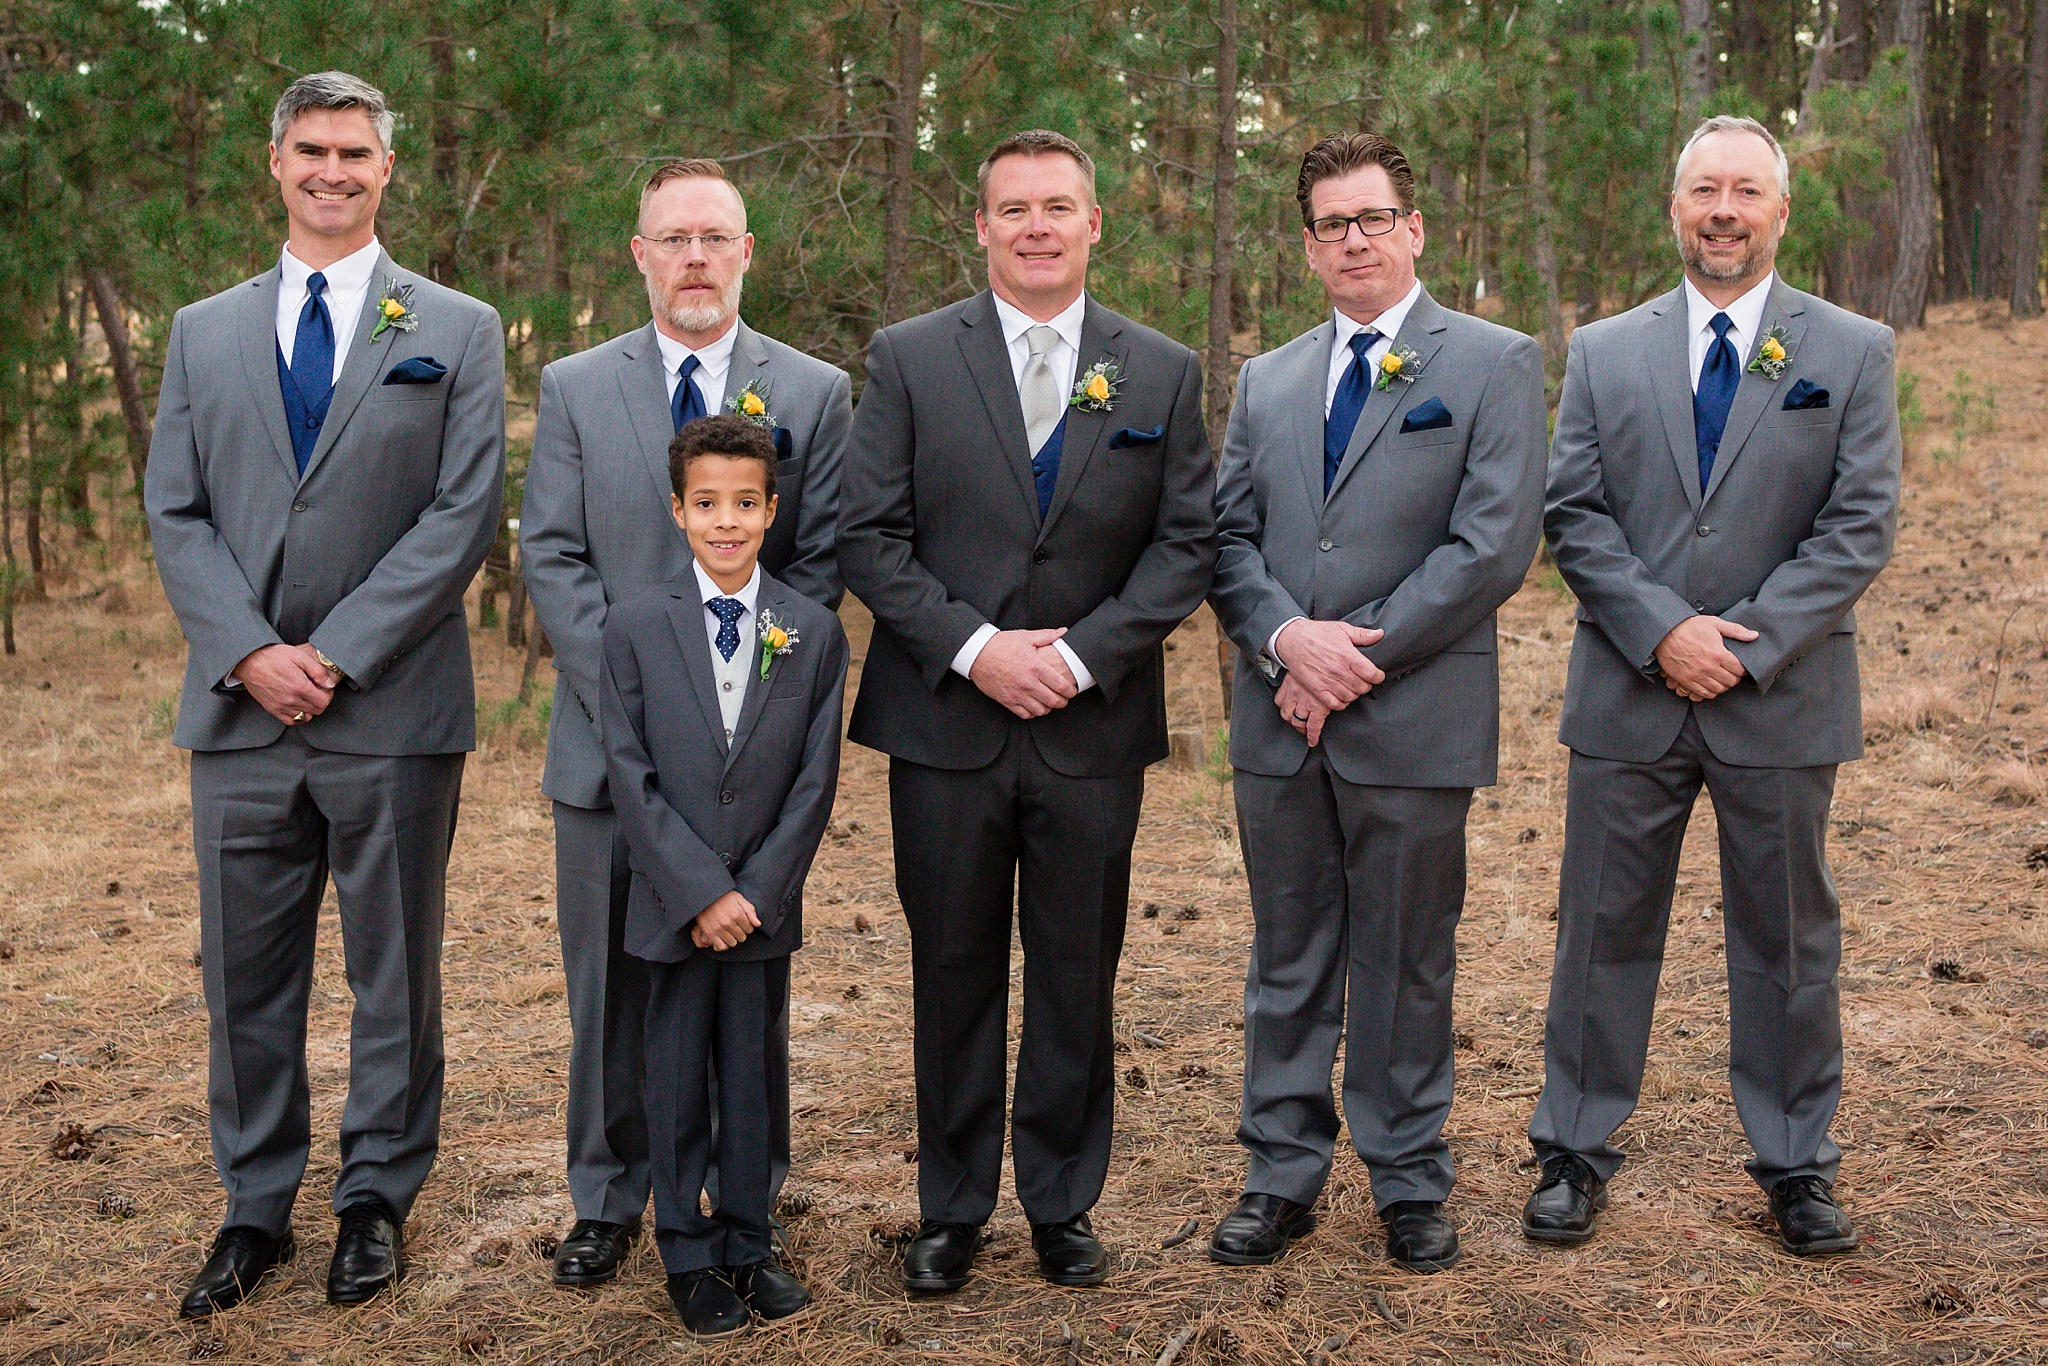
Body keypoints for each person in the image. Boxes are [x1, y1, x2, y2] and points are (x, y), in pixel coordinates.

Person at [145, 72, 504, 1315]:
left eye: (355, 151)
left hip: (391, 706)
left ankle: (373, 1199)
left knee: (392, 966)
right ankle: (253, 1207)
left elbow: (462, 515)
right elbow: (175, 509)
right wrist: (250, 651)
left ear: (386, 168)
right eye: (312, 149)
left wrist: (337, 652)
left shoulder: (455, 327)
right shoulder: (202, 330)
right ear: (276, 159)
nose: (332, 171)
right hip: (240, 711)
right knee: (246, 975)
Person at [838, 129, 1216, 1292]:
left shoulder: (1158, 370)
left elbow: (1184, 544)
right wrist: (975, 649)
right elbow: (868, 535)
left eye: (1058, 205)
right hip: (944, 727)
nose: (1037, 225)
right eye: (1014, 208)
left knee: (1072, 969)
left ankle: (1059, 1199)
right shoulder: (908, 358)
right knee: (950, 969)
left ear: (1094, 222)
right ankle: (950, 1207)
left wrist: (1082, 657)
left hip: (1089, 729)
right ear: (984, 227)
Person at [1525, 115, 1899, 1256]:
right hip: (1628, 692)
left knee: (1786, 939)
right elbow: (1572, 515)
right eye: (1702, 190)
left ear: (1779, 211)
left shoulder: (1849, 346)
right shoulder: (1603, 350)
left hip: (1778, 696)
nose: (1722, 210)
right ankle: (1572, 1153)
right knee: (1599, 928)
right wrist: (1660, 631)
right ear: (1672, 208)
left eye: (1744, 191)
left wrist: (1741, 645)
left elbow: (1857, 523)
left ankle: (1795, 1162)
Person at [1207, 133, 1547, 1273]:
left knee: (1406, 954)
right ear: (1307, 248)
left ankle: (1406, 1174)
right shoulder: (1267, 379)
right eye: (1328, 225)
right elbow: (1228, 537)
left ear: (1413, 229)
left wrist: (1353, 658)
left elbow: (1491, 543)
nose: (1350, 239)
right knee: (1287, 950)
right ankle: (1278, 1169)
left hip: (1412, 716)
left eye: (1370, 218)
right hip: (1278, 717)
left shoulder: (1493, 362)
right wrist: (1283, 643)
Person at [520, 158, 851, 1286]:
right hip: (605, 759)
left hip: (750, 766)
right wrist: (632, 698)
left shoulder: (808, 391)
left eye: (716, 236)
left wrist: (738, 717)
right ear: (640, 255)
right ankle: (610, 1199)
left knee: (740, 991)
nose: (696, 257)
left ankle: (736, 1198)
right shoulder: (573, 385)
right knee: (613, 991)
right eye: (674, 238)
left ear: (745, 251)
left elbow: (813, 568)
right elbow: (551, 551)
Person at [599, 415, 847, 1339]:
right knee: (672, 1075)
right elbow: (630, 770)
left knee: (752, 1075)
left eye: (746, 503)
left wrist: (757, 891)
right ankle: (687, 1250)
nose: (727, 521)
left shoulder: (813, 633)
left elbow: (814, 780)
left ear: (773, 510)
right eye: (707, 504)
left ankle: (749, 1238)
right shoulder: (632, 625)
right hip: (674, 905)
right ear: (677, 510)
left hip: (761, 907)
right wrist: (701, 891)